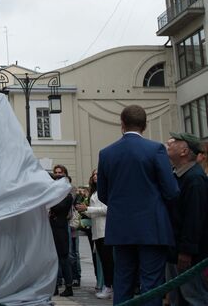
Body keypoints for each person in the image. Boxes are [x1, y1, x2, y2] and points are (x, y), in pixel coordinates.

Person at [97, 105, 179, 306]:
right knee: (151, 284)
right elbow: (171, 190)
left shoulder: (106, 153)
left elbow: (103, 194)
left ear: (122, 124)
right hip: (152, 226)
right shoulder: (156, 149)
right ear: (145, 125)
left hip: (121, 227)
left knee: (123, 281)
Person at [165, 132, 208, 305]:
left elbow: (194, 219)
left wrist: (186, 250)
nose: (169, 143)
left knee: (193, 297)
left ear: (184, 151)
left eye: (174, 142)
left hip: (188, 255)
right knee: (178, 298)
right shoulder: (179, 175)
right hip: (176, 250)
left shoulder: (195, 179)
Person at [76, 168, 114, 299]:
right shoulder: (94, 192)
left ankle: (110, 287)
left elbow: (107, 209)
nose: (95, 176)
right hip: (96, 231)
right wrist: (84, 210)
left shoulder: (106, 190)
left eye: (98, 173)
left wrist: (88, 208)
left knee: (109, 261)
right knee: (104, 261)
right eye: (93, 174)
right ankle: (108, 286)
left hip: (105, 230)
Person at [49, 167, 74, 297]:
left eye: (60, 173)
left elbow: (59, 208)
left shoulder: (67, 195)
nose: (57, 175)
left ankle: (69, 286)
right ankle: (55, 286)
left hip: (61, 230)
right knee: (53, 259)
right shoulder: (55, 194)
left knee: (64, 259)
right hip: (53, 229)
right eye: (56, 173)